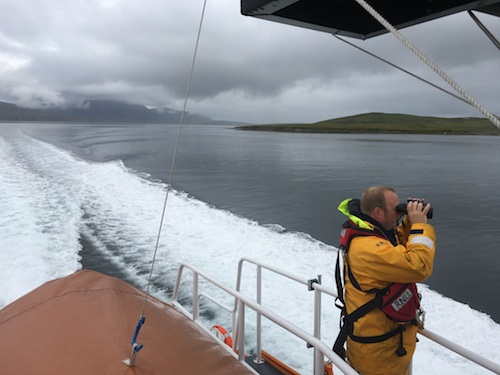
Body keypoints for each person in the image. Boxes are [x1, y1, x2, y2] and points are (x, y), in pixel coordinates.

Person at [335, 186, 436, 375]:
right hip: (381, 355)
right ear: (378, 212)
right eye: (396, 209)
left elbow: (396, 246)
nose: (399, 213)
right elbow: (418, 266)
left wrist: (407, 222)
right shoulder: (368, 248)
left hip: (381, 346)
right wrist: (421, 226)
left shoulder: (371, 231)